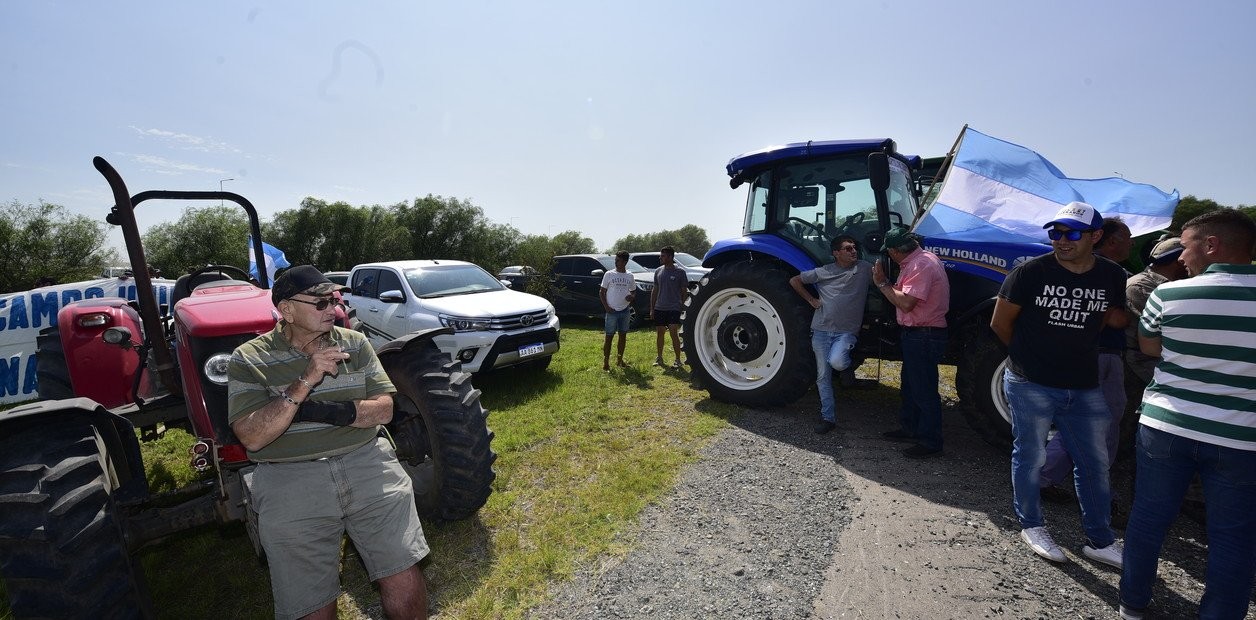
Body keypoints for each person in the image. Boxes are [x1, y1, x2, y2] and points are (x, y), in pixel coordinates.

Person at [227, 265, 428, 620]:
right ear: (286, 309)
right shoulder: (249, 359)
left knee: (401, 569)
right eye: (319, 303)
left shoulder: (354, 342)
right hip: (291, 481)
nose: (332, 310)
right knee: (309, 602)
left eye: (333, 300)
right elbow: (252, 437)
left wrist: (328, 412)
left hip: (366, 463)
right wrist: (304, 382)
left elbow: (384, 410)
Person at [1119, 209, 1256, 620]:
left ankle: (1132, 603)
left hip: (1166, 424)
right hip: (1241, 436)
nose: (1181, 258)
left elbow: (1148, 347)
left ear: (1211, 245)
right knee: (1233, 536)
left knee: (1149, 516)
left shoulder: (1169, 295)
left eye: (1187, 244)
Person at [989, 201, 1128, 568]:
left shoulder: (1113, 275)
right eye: (1056, 232)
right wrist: (1029, 360)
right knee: (1031, 455)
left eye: (1072, 233)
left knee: (1094, 463)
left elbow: (1100, 322)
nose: (1061, 240)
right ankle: (1032, 525)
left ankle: (1099, 540)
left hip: (1084, 384)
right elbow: (1000, 324)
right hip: (1031, 382)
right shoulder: (1030, 272)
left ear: (1096, 236)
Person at [1039, 217, 1133, 500]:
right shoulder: (1111, 274)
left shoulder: (1066, 269)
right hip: (1100, 356)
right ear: (1111, 240)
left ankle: (1046, 476)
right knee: (1097, 423)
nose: (1132, 243)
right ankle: (1066, 482)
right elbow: (1115, 319)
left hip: (1080, 355)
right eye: (1128, 237)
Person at [872, 226, 950, 458]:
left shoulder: (921, 265)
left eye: (889, 252)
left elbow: (906, 303)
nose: (889, 256)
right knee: (911, 384)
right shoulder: (921, 261)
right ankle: (911, 428)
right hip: (918, 334)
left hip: (923, 334)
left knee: (923, 389)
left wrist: (882, 283)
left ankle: (930, 441)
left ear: (896, 251)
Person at [789, 235, 872, 434]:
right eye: (848, 248)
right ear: (836, 253)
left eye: (854, 247)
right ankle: (828, 418)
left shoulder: (864, 268)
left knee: (837, 362)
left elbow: (883, 279)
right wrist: (811, 300)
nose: (853, 251)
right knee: (822, 377)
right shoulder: (824, 271)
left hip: (845, 332)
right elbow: (794, 280)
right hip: (820, 331)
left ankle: (846, 367)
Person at [650, 246, 688, 369]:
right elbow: (655, 290)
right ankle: (659, 358)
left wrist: (682, 305)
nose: (660, 257)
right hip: (660, 307)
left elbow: (684, 291)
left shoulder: (680, 272)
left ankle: (677, 359)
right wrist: (652, 308)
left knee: (673, 332)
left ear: (670, 257)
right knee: (660, 333)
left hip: (674, 307)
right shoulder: (658, 271)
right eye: (660, 255)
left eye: (663, 256)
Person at [600, 250, 636, 371]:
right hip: (611, 311)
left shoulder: (629, 276)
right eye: (615, 260)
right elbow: (602, 292)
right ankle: (606, 362)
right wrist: (606, 307)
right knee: (609, 337)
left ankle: (620, 360)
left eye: (618, 260)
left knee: (623, 336)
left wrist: (632, 297)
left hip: (625, 311)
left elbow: (633, 291)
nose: (616, 262)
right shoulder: (609, 274)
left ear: (625, 262)